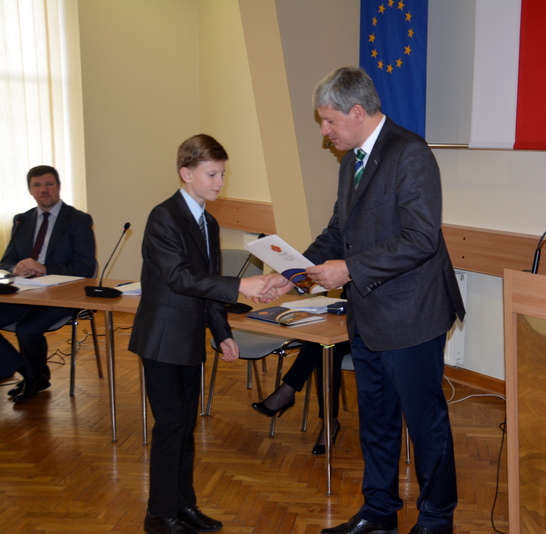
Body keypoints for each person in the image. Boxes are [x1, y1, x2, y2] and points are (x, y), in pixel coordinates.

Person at [261, 67, 465, 534]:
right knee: (376, 419)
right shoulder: (351, 161)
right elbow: (338, 231)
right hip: (368, 314)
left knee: (424, 421)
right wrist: (293, 272)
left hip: (412, 314)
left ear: (357, 112)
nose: (323, 131)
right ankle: (379, 511)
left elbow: (421, 239)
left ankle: (437, 517)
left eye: (329, 120)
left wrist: (349, 270)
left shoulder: (410, 153)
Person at [129, 134, 272, 534]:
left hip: (189, 338)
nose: (220, 182)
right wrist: (241, 286)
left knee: (185, 425)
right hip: (162, 338)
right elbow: (180, 278)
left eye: (223, 174)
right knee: (170, 426)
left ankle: (184, 505)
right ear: (186, 173)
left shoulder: (208, 221)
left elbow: (207, 284)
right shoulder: (164, 216)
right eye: (212, 174)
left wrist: (221, 331)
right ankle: (159, 514)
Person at [0, 165, 96, 402]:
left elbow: (85, 268)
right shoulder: (22, 220)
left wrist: (44, 268)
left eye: (49, 184)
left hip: (63, 294)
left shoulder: (78, 220)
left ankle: (34, 378)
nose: (44, 190)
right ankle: (30, 372)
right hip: (24, 292)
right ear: (30, 190)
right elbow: (6, 261)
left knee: (27, 329)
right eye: (37, 185)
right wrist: (17, 267)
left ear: (59, 187)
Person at [252, 340, 351, 455]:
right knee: (324, 347)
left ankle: (287, 392)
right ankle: (330, 422)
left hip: (360, 339)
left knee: (326, 348)